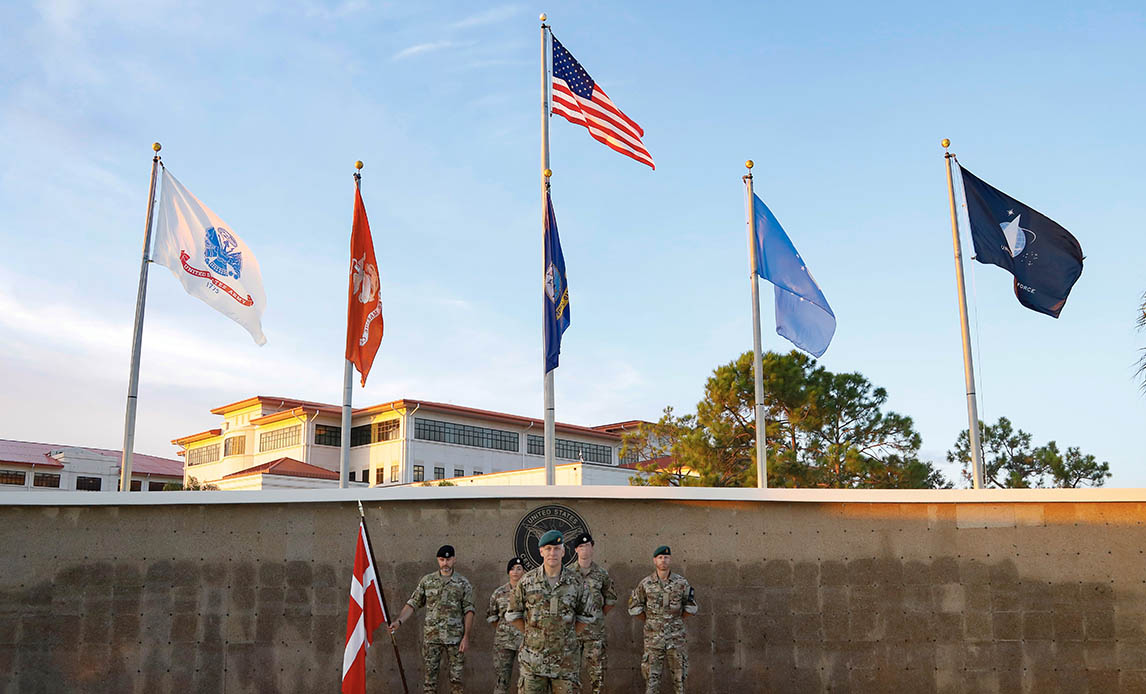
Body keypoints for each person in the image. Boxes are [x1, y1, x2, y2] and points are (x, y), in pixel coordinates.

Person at [506, 529, 594, 693]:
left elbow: (586, 616)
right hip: (532, 662)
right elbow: (512, 614)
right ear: (541, 551)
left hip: (565, 664)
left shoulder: (576, 582)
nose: (552, 553)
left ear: (563, 551)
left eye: (556, 548)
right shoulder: (527, 581)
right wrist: (531, 634)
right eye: (547, 548)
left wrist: (566, 636)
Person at [390, 544, 475, 694]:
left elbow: (469, 610)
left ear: (454, 559)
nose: (445, 563)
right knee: (430, 680)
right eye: (442, 560)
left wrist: (466, 636)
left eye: (448, 560)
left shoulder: (463, 583)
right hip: (432, 638)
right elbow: (413, 603)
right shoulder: (427, 581)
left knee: (457, 681)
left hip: (455, 639)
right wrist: (399, 621)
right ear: (438, 560)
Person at [627, 545, 698, 694]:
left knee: (680, 681)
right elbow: (634, 607)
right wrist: (651, 620)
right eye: (660, 557)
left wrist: (675, 620)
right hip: (653, 639)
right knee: (651, 682)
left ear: (670, 559)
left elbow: (691, 606)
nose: (663, 560)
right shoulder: (646, 584)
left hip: (676, 638)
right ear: (654, 560)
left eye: (666, 557)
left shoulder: (681, 583)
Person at [571, 533, 616, 694]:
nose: (585, 549)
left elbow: (610, 600)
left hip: (595, 634)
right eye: (581, 546)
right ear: (576, 550)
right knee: (570, 674)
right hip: (573, 633)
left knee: (597, 674)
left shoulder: (601, 574)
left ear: (592, 548)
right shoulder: (568, 574)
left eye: (588, 545)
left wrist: (597, 616)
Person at [487, 556, 526, 694]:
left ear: (524, 571)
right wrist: (504, 630)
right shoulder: (498, 593)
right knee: (501, 680)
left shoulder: (529, 592)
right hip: (503, 643)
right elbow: (492, 617)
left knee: (526, 681)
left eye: (519, 568)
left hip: (525, 642)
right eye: (512, 569)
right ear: (508, 572)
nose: (515, 572)